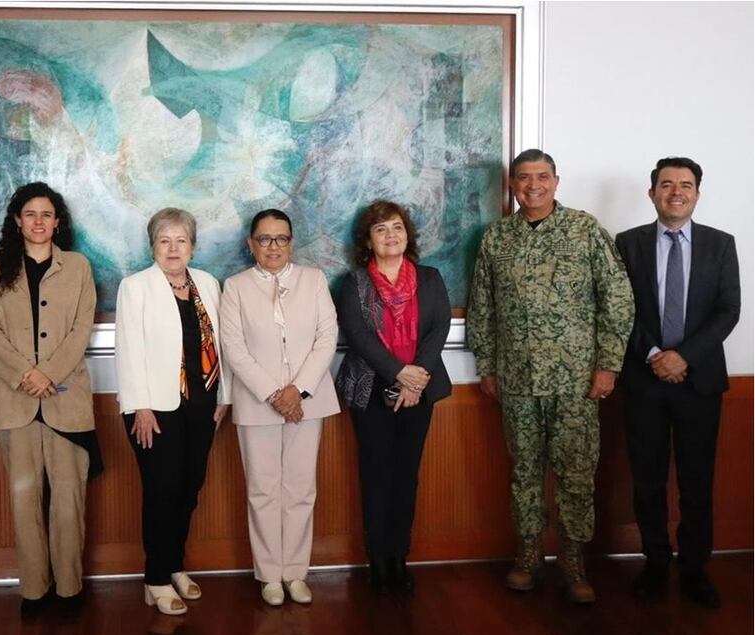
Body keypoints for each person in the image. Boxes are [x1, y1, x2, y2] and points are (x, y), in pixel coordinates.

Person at [465, 149, 634, 604]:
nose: (533, 186)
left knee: (577, 474)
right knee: (524, 472)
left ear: (556, 181)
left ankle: (574, 561)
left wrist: (607, 365)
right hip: (517, 380)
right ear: (512, 185)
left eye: (542, 177)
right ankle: (528, 555)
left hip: (576, 380)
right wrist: (487, 366)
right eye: (523, 178)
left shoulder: (584, 230)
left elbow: (617, 301)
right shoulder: (496, 238)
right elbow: (482, 308)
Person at [615, 157, 740, 609]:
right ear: (652, 194)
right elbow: (620, 309)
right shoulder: (627, 244)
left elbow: (728, 311)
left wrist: (683, 356)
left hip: (698, 381)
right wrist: (654, 355)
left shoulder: (720, 245)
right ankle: (655, 562)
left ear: (697, 194)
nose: (675, 192)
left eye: (685, 185)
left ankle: (694, 568)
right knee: (647, 480)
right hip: (644, 381)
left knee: (696, 480)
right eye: (666, 184)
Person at [0, 182, 101, 619]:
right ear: (17, 220)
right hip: (15, 401)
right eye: (30, 214)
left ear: (57, 222)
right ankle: (34, 589)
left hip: (66, 399)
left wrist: (46, 373)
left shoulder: (78, 267)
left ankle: (69, 589)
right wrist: (24, 375)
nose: (38, 222)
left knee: (68, 498)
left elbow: (80, 329)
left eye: (47, 215)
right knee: (24, 497)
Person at [219, 209, 340, 606]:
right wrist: (275, 394)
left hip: (309, 402)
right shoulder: (235, 287)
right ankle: (270, 574)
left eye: (281, 239)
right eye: (265, 239)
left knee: (301, 489)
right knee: (263, 490)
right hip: (258, 404)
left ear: (291, 242)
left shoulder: (313, 279)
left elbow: (327, 337)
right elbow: (234, 348)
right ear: (251, 243)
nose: (273, 247)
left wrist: (298, 391)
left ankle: (296, 572)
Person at [114, 207, 232, 615]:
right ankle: (156, 579)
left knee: (189, 489)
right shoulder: (136, 287)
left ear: (193, 247)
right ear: (153, 246)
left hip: (202, 406)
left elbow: (222, 346)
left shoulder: (208, 284)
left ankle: (174, 565)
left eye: (181, 240)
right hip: (154, 410)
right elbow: (128, 350)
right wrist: (139, 408)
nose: (173, 248)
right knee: (162, 493)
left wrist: (224, 398)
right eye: (164, 240)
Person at [335, 200, 452, 595]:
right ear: (368, 240)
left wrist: (415, 380)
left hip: (421, 391)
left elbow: (438, 329)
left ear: (408, 235)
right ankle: (378, 560)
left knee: (406, 476)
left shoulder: (430, 278)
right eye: (381, 229)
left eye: (397, 227)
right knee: (376, 475)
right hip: (370, 392)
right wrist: (398, 373)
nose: (391, 235)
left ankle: (399, 557)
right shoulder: (353, 283)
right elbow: (357, 334)